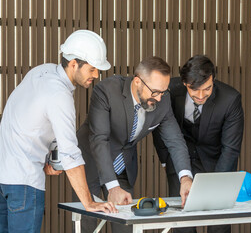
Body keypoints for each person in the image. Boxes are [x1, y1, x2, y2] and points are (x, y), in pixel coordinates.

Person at [0, 30, 117, 233]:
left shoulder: (42, 71)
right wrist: (89, 203)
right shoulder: (59, 95)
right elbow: (71, 154)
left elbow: (29, 119)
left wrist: (48, 157)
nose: (96, 75)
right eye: (92, 69)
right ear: (74, 63)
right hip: (23, 181)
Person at [76, 56, 193, 233]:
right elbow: (99, 139)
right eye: (155, 92)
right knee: (87, 224)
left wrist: (185, 178)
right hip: (90, 162)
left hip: (122, 165)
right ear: (137, 81)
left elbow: (175, 140)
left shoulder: (162, 100)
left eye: (163, 91)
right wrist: (112, 186)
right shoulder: (107, 90)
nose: (159, 98)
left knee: (126, 224)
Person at [153, 55, 244, 233]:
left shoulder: (230, 99)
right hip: (180, 162)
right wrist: (166, 161)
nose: (201, 96)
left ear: (213, 80)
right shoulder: (170, 90)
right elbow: (158, 127)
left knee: (219, 222)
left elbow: (231, 149)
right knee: (181, 223)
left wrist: (218, 183)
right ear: (185, 83)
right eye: (195, 90)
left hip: (215, 162)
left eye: (207, 89)